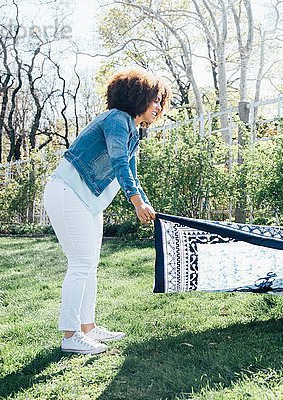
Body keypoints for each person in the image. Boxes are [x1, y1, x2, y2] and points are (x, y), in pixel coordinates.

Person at [43, 68, 171, 354]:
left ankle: (88, 327)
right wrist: (137, 202)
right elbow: (118, 162)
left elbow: (132, 174)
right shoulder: (117, 119)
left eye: (161, 101)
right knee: (80, 264)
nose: (159, 107)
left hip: (86, 201)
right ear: (137, 97)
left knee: (90, 264)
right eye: (155, 99)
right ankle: (70, 335)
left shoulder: (133, 132)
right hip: (67, 193)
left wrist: (144, 202)